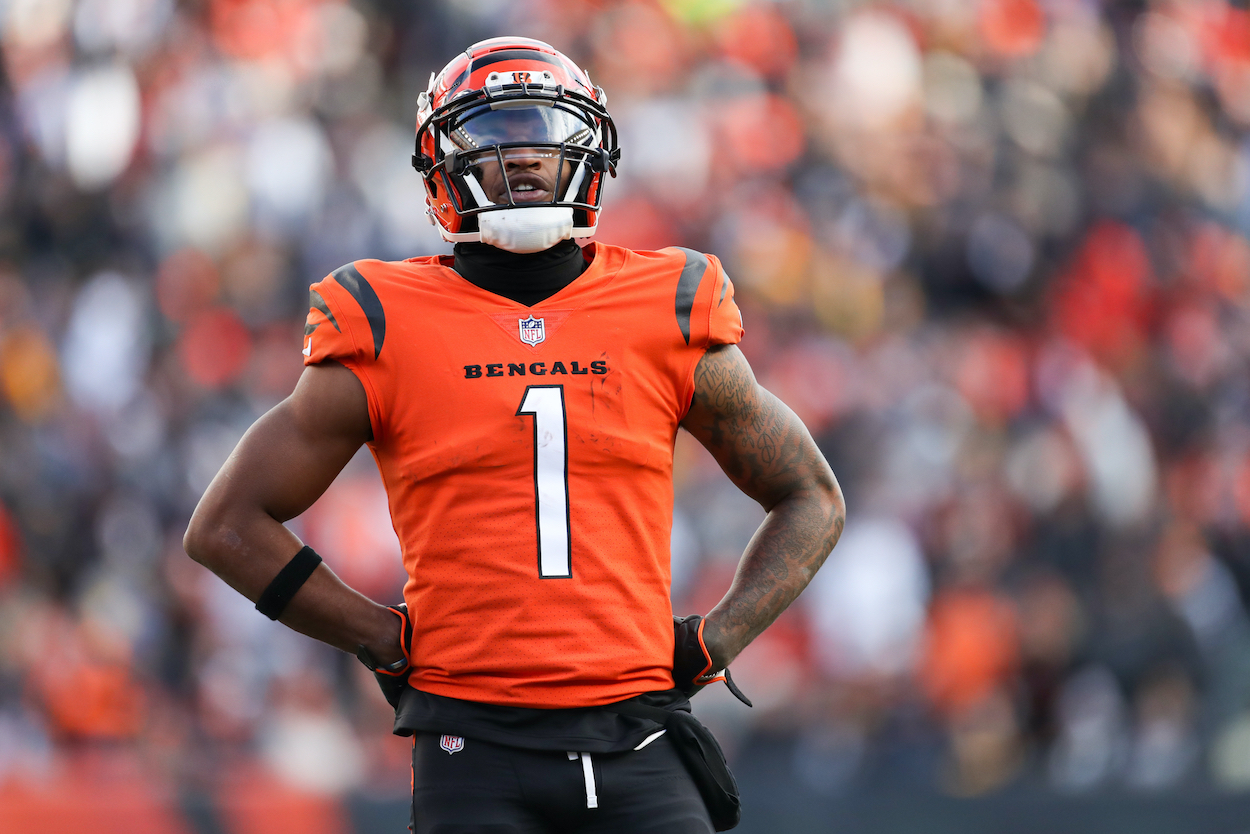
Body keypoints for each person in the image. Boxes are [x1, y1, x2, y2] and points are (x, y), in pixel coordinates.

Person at [184, 37, 844, 833]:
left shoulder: (667, 300)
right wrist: (378, 638)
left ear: (589, 148)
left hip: (639, 739)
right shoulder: (384, 318)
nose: (525, 158)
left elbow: (811, 494)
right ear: (441, 167)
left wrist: (716, 639)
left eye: (544, 133)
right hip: (475, 748)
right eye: (495, 138)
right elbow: (224, 526)